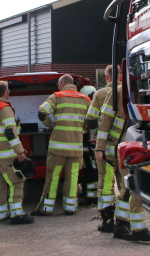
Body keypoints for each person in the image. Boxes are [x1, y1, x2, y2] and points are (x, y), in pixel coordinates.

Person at [96, 77, 150, 242]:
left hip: (140, 146)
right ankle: (134, 228)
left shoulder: (148, 90)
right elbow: (104, 120)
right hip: (125, 147)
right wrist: (100, 147)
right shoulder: (118, 92)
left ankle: (123, 225)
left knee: (130, 186)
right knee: (132, 185)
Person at [31, 74, 90, 216]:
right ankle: (70, 208)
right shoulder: (86, 99)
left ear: (63, 83)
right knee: (73, 176)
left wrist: (50, 125)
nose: (58, 87)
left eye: (58, 84)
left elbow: (41, 112)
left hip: (58, 148)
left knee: (53, 176)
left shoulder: (56, 96)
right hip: (76, 148)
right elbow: (92, 120)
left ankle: (47, 208)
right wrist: (83, 129)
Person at [0, 80, 33, 225]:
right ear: (6, 92)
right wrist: (20, 151)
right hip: (6, 155)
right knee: (17, 182)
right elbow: (10, 132)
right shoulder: (4, 108)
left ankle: (0, 214)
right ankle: (17, 214)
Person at [84, 65, 122, 232]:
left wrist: (95, 134)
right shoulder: (126, 92)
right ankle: (124, 220)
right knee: (124, 183)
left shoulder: (99, 94)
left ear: (106, 77)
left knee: (106, 183)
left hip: (105, 146)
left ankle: (107, 221)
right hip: (125, 145)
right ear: (120, 76)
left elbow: (91, 120)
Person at [79, 84, 99, 205]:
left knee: (90, 172)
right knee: (95, 171)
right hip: (96, 147)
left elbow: (84, 129)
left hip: (87, 147)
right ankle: (93, 196)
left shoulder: (86, 109)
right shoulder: (98, 108)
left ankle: (91, 198)